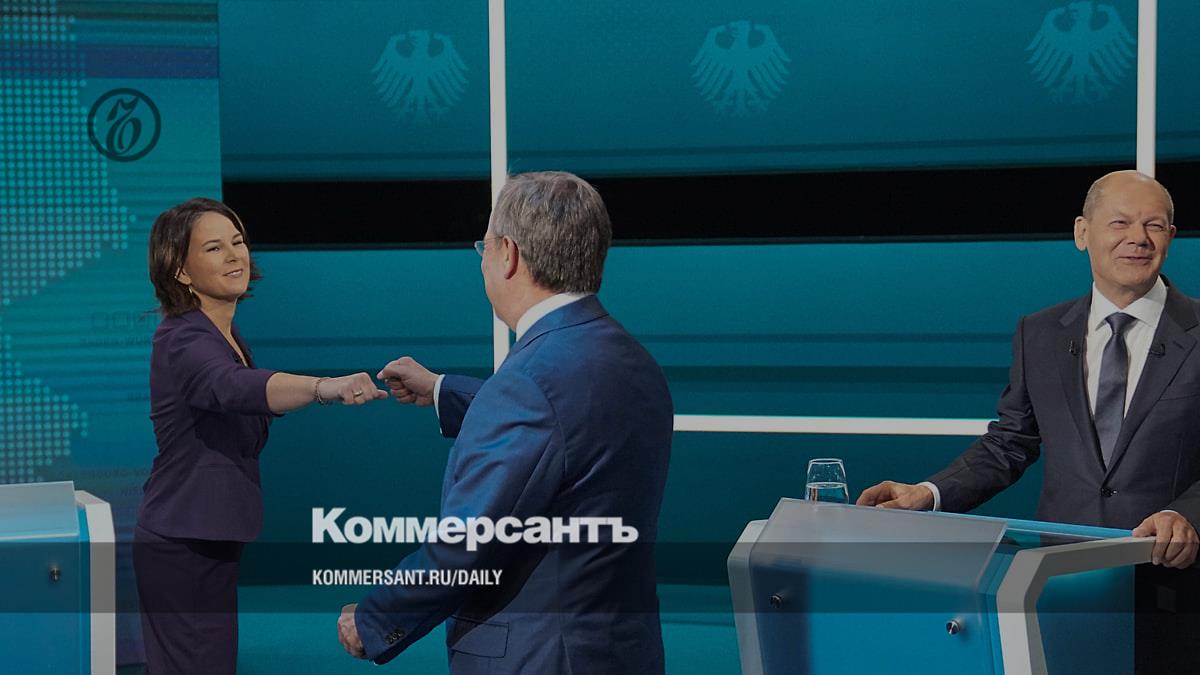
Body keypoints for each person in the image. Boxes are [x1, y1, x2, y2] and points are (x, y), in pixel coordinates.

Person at [857, 171, 1199, 670]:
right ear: (1082, 232)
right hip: (1063, 585)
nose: (1138, 238)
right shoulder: (1038, 333)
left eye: (1154, 225)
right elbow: (1010, 443)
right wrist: (928, 494)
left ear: (1171, 236)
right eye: (1120, 223)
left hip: (1176, 589)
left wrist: (1189, 514)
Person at [335, 172, 674, 674]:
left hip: (539, 657)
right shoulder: (632, 359)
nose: (483, 260)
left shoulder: (528, 386)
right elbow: (572, 430)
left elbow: (465, 547)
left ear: (509, 255)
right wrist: (443, 390)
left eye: (484, 246)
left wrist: (374, 619)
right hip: (620, 651)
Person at [134, 197, 387, 674]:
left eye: (238, 242)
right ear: (181, 271)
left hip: (206, 536)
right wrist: (323, 388)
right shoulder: (183, 338)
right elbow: (233, 388)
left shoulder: (222, 334)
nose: (235, 255)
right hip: (183, 542)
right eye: (213, 248)